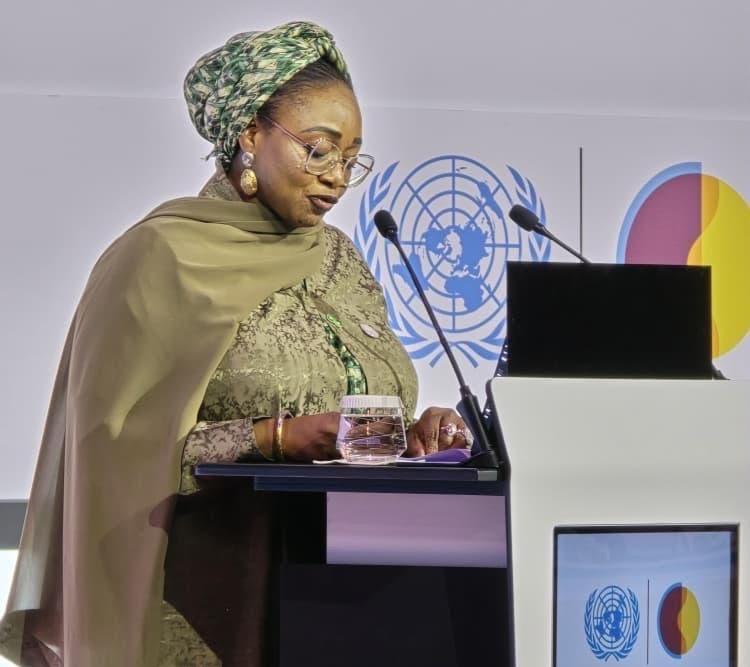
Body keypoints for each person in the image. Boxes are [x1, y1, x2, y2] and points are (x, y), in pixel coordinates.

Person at [0, 21, 472, 666]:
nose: (337, 177)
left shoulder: (341, 259)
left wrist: (412, 434)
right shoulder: (158, 256)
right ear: (251, 134)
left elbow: (360, 408)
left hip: (349, 593)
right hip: (206, 597)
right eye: (318, 150)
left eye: (350, 158)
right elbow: (110, 454)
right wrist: (273, 438)